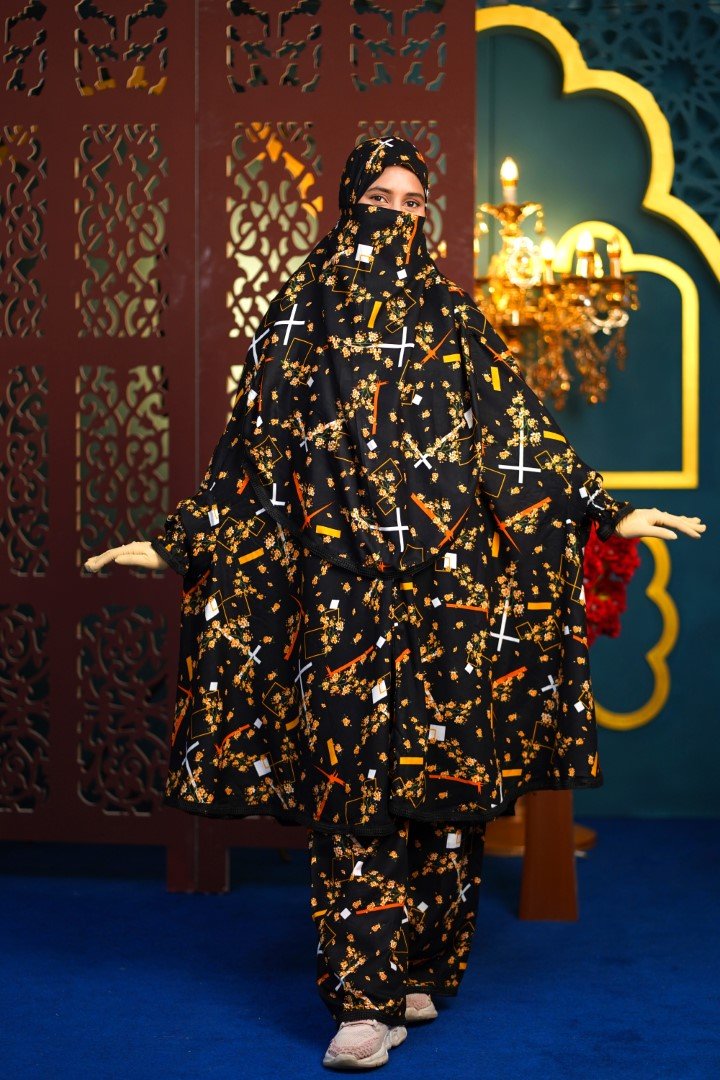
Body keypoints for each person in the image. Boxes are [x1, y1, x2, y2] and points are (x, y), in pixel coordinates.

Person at [85, 137, 705, 1070]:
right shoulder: (298, 315)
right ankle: (361, 1003)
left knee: (445, 793)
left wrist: (608, 508)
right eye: (380, 196)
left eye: (414, 203)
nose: (397, 215)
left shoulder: (452, 315)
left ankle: (422, 968)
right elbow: (253, 451)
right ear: (348, 203)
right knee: (353, 792)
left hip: (450, 594)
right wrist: (180, 539)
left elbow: (516, 433)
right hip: (340, 592)